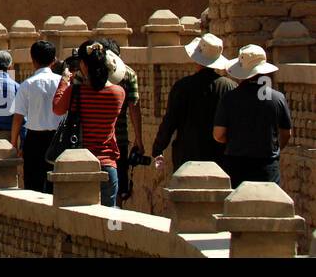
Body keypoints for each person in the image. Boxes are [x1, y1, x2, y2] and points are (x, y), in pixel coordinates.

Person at [52, 39, 124, 207]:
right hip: (107, 165)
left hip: (79, 165)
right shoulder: (118, 93)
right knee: (108, 221)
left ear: (83, 65)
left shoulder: (75, 92)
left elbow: (57, 108)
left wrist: (64, 82)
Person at [151, 32, 235, 171]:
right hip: (219, 160)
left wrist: (158, 149)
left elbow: (170, 121)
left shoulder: (182, 87)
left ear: (197, 59)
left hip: (187, 158)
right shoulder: (229, 87)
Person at [213, 44, 292, 188]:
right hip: (268, 167)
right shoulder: (277, 98)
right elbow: (286, 134)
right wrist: (273, 149)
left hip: (236, 166)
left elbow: (218, 135)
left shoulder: (229, 98)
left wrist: (235, 141)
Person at [11, 40, 63, 192]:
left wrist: (14, 144)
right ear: (53, 61)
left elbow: (18, 117)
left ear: (33, 60)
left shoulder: (27, 85)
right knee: (56, 186)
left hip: (34, 141)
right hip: (57, 140)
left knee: (33, 186)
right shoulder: (63, 83)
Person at [100, 38, 144, 206]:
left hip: (91, 139)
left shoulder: (90, 74)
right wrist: (139, 140)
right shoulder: (129, 74)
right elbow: (134, 107)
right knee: (117, 186)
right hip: (119, 141)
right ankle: (114, 226)